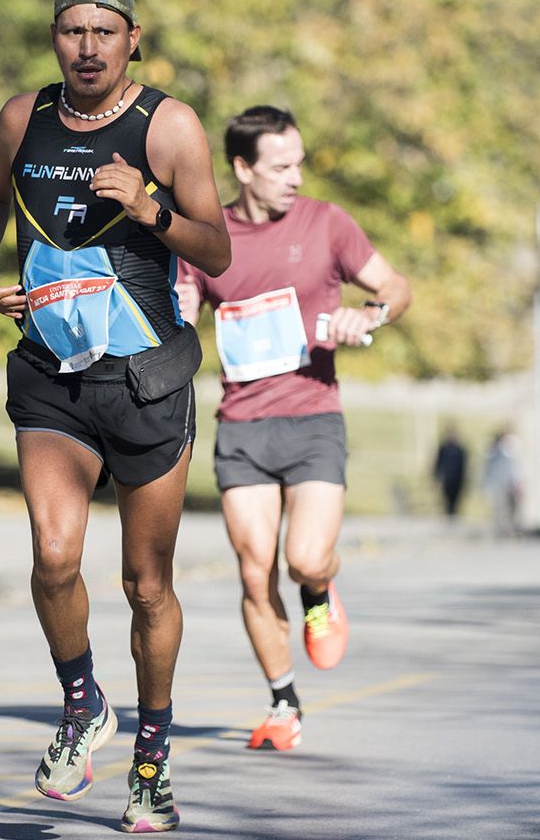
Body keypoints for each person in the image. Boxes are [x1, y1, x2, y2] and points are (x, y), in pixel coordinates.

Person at [0, 0, 229, 833]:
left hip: (145, 378)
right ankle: (82, 704)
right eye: (72, 31)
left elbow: (218, 251)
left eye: (102, 32)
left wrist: (151, 208)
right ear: (56, 38)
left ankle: (150, 765)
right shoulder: (23, 116)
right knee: (52, 555)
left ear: (131, 39)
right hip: (52, 372)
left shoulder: (171, 126)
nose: (86, 47)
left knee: (145, 585)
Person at [176, 105, 411, 753]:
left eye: (300, 163)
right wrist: (176, 308)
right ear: (243, 168)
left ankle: (318, 587)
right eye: (281, 166)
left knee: (302, 556)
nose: (295, 177)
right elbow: (182, 306)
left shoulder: (326, 222)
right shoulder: (207, 235)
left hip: (313, 419)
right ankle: (283, 703)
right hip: (243, 426)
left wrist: (371, 313)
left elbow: (395, 285)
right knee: (254, 573)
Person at [482, 428, 523, 537]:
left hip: (508, 484)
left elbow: (514, 469)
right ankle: (500, 529)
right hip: (498, 484)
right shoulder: (493, 452)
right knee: (499, 508)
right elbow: (488, 469)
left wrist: (517, 484)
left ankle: (509, 529)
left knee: (510, 509)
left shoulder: (510, 450)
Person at [433, 426, 468, 520]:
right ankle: (449, 518)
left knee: (456, 501)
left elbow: (464, 466)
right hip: (447, 479)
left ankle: (453, 518)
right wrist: (436, 477)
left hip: (458, 479)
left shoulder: (460, 450)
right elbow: (438, 463)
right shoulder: (444, 448)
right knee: (447, 501)